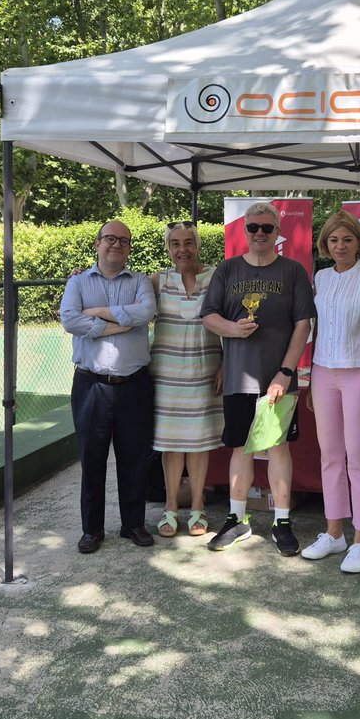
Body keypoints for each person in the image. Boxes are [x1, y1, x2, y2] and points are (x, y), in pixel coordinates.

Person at [200, 202, 315, 556]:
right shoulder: (228, 269)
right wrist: (233, 329)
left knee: (278, 448)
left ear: (278, 231)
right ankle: (238, 520)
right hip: (238, 378)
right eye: (253, 228)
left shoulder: (293, 271)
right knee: (240, 448)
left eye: (267, 227)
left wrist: (285, 371)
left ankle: (282, 521)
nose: (260, 233)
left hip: (278, 380)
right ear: (244, 231)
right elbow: (208, 315)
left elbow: (303, 324)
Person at [59, 220, 157, 554]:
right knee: (92, 458)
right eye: (109, 239)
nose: (116, 245)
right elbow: (71, 320)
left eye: (123, 240)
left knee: (134, 458)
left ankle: (133, 524)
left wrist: (98, 315)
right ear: (98, 244)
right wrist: (119, 325)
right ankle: (92, 530)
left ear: (129, 248)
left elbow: (146, 312)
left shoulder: (141, 281)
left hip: (135, 385)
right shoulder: (78, 283)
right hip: (91, 385)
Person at [302, 211, 360, 573]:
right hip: (323, 373)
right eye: (334, 240)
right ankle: (334, 532)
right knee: (330, 456)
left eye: (347, 240)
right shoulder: (320, 278)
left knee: (358, 458)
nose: (340, 246)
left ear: (359, 243)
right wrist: (311, 381)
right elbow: (317, 330)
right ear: (325, 244)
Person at [150, 221, 223, 537]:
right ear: (168, 249)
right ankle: (170, 508)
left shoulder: (216, 277)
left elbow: (233, 322)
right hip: (166, 378)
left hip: (205, 375)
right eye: (175, 244)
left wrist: (227, 365)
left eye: (189, 243)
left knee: (199, 445)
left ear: (198, 246)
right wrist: (82, 277)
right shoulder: (155, 281)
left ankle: (197, 508)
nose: (183, 250)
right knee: (171, 446)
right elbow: (120, 293)